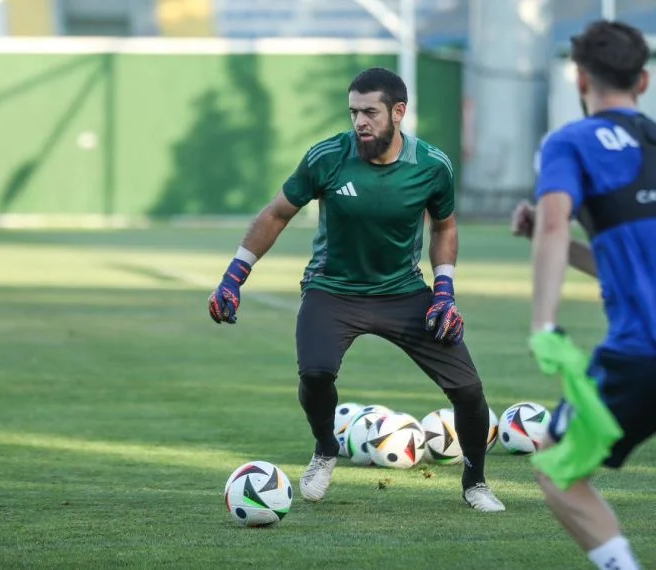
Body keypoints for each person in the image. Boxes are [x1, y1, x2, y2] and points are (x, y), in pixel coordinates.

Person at [208, 67, 505, 512]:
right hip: (333, 290)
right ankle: (326, 449)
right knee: (315, 374)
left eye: (370, 112)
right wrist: (234, 276)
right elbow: (275, 214)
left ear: (398, 112)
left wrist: (444, 290)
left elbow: (444, 225)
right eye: (353, 112)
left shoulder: (432, 166)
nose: (359, 122)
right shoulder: (326, 157)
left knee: (468, 390)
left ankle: (475, 483)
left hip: (404, 293)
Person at [513, 19, 656, 569]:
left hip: (651, 350)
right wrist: (566, 247)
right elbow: (643, 263)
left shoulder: (569, 141)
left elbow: (554, 224)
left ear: (579, 79)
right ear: (643, 81)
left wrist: (543, 324)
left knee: (555, 465)